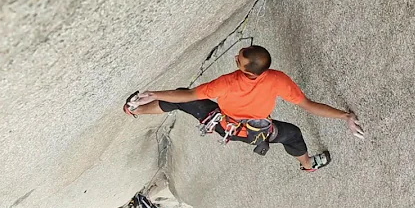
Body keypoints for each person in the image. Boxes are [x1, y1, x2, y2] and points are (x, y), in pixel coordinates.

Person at [123, 45, 364, 171]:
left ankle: (135, 109)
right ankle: (308, 164)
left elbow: (188, 95)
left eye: (238, 59)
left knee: (183, 100)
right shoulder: (277, 79)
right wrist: (345, 116)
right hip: (256, 131)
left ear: (246, 69)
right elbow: (309, 106)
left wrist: (153, 93)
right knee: (292, 135)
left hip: (225, 124)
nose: (236, 59)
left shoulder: (226, 82)